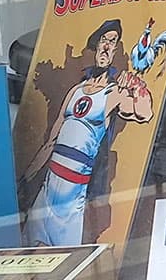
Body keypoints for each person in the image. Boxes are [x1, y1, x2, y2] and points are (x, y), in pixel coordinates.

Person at [21, 19, 154, 247]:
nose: (105, 46)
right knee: (30, 251)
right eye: (103, 40)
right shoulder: (76, 90)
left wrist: (138, 88)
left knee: (67, 260)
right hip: (49, 186)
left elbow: (144, 113)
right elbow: (51, 142)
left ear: (116, 50)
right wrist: (24, 179)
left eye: (111, 42)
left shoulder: (113, 93)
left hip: (73, 193)